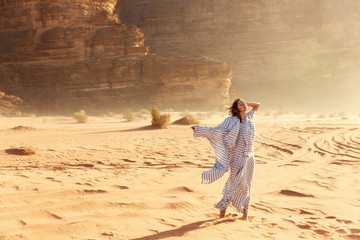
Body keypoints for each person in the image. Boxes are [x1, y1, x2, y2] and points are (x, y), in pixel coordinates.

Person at [191, 98, 260, 220]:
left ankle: (245, 215)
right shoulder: (231, 120)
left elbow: (257, 105)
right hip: (237, 157)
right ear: (236, 108)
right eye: (240, 104)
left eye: (243, 103)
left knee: (247, 185)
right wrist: (199, 129)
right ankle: (222, 211)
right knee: (233, 185)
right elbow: (217, 130)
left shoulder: (249, 117)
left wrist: (245, 104)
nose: (243, 105)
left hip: (250, 157)